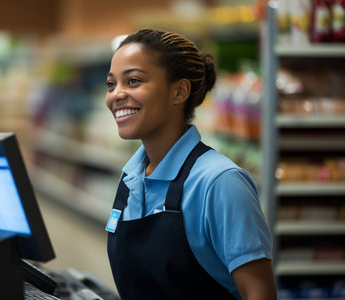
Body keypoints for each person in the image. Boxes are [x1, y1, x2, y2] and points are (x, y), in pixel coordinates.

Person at [104, 28, 276, 300]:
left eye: (134, 81)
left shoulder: (220, 182)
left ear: (180, 91)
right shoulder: (130, 178)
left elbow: (258, 292)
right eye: (111, 84)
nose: (116, 95)